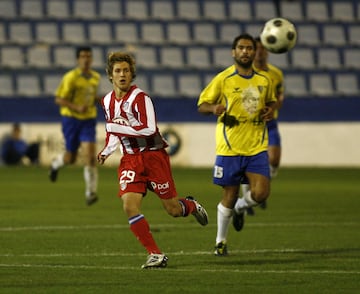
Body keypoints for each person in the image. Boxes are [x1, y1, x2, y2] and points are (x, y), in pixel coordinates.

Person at [97, 52, 208, 269]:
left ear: (132, 74)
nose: (122, 75)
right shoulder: (107, 101)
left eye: (126, 71)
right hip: (130, 160)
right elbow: (113, 133)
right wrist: (106, 150)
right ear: (110, 75)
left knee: (173, 209)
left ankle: (191, 205)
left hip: (153, 157)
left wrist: (115, 128)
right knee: (129, 206)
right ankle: (155, 254)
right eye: (118, 71)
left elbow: (148, 129)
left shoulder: (141, 98)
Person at [197, 34, 276, 256]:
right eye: (241, 48)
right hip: (229, 147)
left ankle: (242, 207)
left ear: (254, 52)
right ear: (234, 52)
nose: (245, 51)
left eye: (249, 48)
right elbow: (202, 104)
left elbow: (270, 101)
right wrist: (214, 109)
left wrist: (269, 109)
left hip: (257, 146)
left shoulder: (264, 80)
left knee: (261, 193)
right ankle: (220, 241)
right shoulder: (224, 79)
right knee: (229, 196)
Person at [49, 46, 101, 206]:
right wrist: (76, 107)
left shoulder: (95, 77)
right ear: (78, 59)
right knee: (70, 158)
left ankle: (90, 193)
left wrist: (103, 100)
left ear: (91, 59)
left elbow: (90, 97)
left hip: (88, 120)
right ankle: (56, 164)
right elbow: (58, 99)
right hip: (71, 120)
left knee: (90, 157)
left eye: (89, 56)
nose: (86, 59)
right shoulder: (70, 77)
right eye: (83, 56)